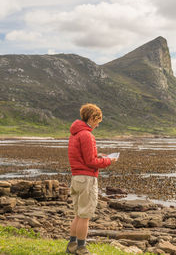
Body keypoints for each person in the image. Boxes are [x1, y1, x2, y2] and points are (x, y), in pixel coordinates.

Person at [66, 103, 116, 255]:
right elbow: (90, 162)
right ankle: (82, 249)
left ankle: (71, 247)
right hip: (86, 179)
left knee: (78, 214)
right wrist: (108, 161)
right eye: (98, 121)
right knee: (85, 216)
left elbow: (84, 157)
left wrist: (98, 156)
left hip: (76, 177)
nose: (98, 124)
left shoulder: (75, 133)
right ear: (93, 117)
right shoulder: (87, 135)